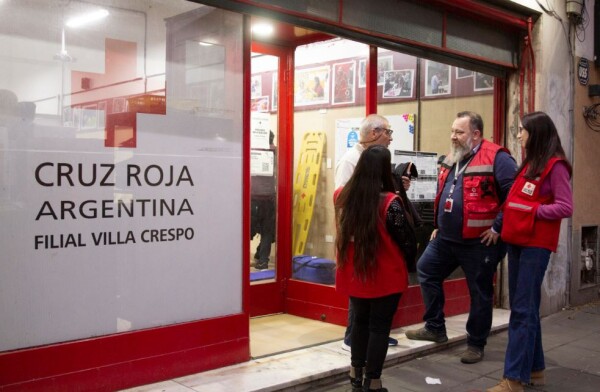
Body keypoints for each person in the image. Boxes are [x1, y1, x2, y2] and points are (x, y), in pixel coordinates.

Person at [405, 111, 517, 364]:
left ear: (476, 134)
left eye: (459, 132)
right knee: (426, 269)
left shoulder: (498, 158)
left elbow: (513, 195)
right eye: (452, 131)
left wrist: (498, 228)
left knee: (480, 292)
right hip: (447, 238)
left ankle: (476, 343)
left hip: (480, 241)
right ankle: (435, 328)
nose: (453, 137)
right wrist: (438, 224)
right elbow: (446, 191)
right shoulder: (453, 157)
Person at [487, 112, 573, 392]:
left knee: (522, 311)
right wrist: (502, 224)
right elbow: (514, 199)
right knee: (525, 309)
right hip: (517, 240)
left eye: (522, 130)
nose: (519, 135)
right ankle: (535, 371)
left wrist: (534, 211)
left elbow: (565, 206)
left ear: (537, 133)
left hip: (536, 245)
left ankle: (513, 380)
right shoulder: (529, 163)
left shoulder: (556, 166)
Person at [334, 145, 410, 392]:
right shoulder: (391, 203)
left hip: (355, 275)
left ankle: (355, 374)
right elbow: (405, 238)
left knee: (359, 323)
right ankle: (373, 381)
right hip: (385, 276)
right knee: (379, 328)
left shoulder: (341, 196)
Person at [335, 114, 406, 349]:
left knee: (371, 293)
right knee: (359, 291)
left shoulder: (374, 158)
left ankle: (372, 338)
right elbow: (344, 203)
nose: (390, 138)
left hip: (375, 240)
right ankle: (352, 337)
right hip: (359, 240)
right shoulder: (350, 161)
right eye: (388, 132)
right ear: (374, 133)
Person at [250, 131, 277, 270]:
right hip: (269, 199)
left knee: (248, 230)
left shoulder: (252, 151)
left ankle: (240, 259)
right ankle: (263, 261)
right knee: (267, 231)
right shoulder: (275, 152)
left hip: (253, 198)